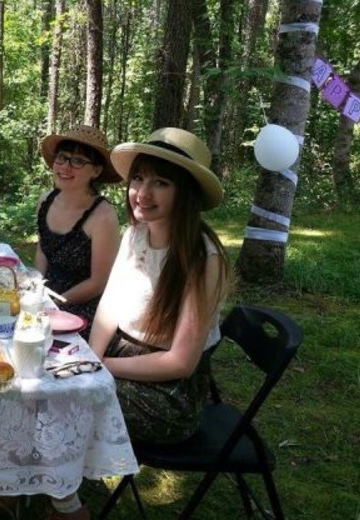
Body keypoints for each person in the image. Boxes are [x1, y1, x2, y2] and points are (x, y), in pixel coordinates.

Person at [90, 127, 231, 445]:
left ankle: (60, 489)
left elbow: (180, 362)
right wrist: (90, 358)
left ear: (186, 193)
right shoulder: (135, 234)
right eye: (138, 178)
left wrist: (100, 367)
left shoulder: (202, 259)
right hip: (120, 359)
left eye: (161, 183)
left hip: (167, 393)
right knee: (50, 381)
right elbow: (110, 305)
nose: (142, 193)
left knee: (65, 399)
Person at [36, 125, 122, 338]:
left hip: (81, 306)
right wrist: (37, 287)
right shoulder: (45, 200)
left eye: (78, 161)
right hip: (45, 297)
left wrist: (55, 303)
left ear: (96, 171)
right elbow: (43, 248)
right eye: (62, 157)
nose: (65, 167)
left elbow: (98, 282)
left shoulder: (103, 216)